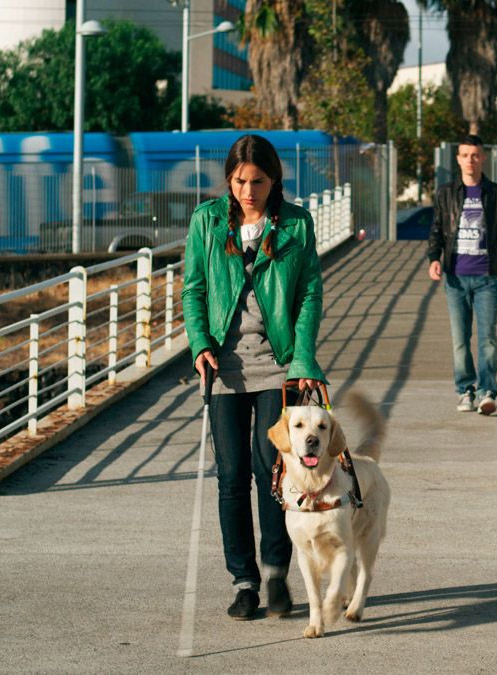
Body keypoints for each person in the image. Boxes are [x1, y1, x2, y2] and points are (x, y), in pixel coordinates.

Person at [182, 134, 325, 620]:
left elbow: (309, 294)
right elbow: (194, 290)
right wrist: (200, 343)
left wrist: (303, 360)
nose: (249, 191)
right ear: (229, 179)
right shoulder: (206, 222)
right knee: (231, 476)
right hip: (224, 369)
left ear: (274, 179)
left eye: (258, 181)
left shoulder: (296, 225)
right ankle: (244, 583)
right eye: (240, 181)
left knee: (272, 473)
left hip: (278, 365)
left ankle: (277, 576)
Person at [427, 135, 497, 415]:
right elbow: (437, 230)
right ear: (458, 158)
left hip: (486, 276)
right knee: (460, 339)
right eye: (465, 155)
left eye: (475, 155)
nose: (470, 160)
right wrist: (433, 259)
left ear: (483, 158)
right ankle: (466, 390)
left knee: (487, 336)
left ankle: (488, 391)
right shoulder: (445, 193)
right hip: (455, 277)